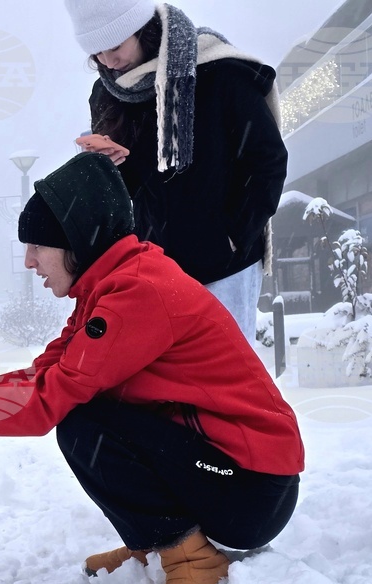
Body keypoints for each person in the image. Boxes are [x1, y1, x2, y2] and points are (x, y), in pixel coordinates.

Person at [0, 153, 303, 584]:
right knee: (88, 414)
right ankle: (154, 544)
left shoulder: (137, 294)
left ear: (77, 238)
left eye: (38, 245)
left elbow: (45, 401)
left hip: (251, 490)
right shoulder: (111, 287)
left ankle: (194, 561)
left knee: (82, 423)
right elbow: (40, 377)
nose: (29, 261)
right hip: (230, 473)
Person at [64, 0, 288, 340]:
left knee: (226, 380)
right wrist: (107, 168)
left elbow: (266, 161)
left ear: (143, 29)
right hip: (152, 270)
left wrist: (232, 238)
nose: (108, 62)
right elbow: (131, 191)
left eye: (115, 46)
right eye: (96, 54)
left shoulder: (219, 72)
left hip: (224, 267)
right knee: (164, 387)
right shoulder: (106, 94)